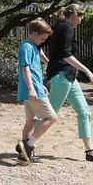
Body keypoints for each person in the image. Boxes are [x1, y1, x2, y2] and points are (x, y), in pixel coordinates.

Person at [42, 4, 93, 162]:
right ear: (73, 15)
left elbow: (41, 46)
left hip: (67, 76)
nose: (80, 21)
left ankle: (90, 151)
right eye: (80, 17)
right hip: (62, 76)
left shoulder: (58, 26)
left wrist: (49, 62)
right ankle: (27, 143)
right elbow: (66, 55)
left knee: (84, 112)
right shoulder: (66, 27)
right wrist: (87, 70)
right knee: (50, 115)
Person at [15, 19, 57, 165]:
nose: (43, 40)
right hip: (31, 91)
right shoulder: (26, 46)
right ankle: (28, 145)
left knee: (31, 121)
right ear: (33, 33)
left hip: (33, 89)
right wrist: (33, 88)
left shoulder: (33, 46)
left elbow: (34, 69)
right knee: (51, 117)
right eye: (42, 38)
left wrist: (40, 85)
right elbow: (25, 68)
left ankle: (24, 156)